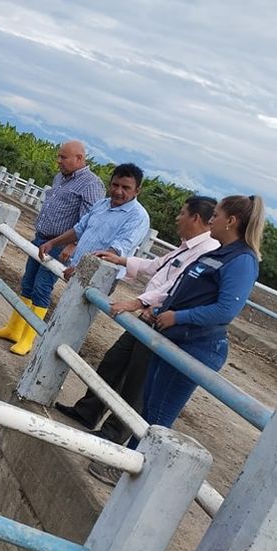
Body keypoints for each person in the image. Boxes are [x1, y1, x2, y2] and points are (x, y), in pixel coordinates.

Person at [88, 195, 265, 486]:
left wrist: (179, 317)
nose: (211, 220)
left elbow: (226, 310)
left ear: (231, 221)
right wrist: (161, 311)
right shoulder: (220, 253)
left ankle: (134, 473)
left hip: (197, 346)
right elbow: (184, 291)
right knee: (150, 407)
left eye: (216, 215)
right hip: (176, 339)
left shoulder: (242, 260)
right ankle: (133, 465)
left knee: (158, 415)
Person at [55, 196, 219, 450]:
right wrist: (120, 260)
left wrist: (137, 302)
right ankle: (88, 411)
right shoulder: (187, 246)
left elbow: (175, 288)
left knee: (136, 382)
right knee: (113, 363)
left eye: (182, 213)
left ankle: (114, 434)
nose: (178, 218)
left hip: (161, 322)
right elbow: (157, 266)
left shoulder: (207, 250)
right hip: (147, 318)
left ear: (195, 218)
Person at [0, 140, 104, 355]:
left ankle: (28, 338)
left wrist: (73, 244)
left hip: (60, 245)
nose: (58, 161)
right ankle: (13, 329)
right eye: (59, 156)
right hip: (41, 239)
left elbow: (91, 220)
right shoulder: (60, 177)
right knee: (28, 283)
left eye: (63, 157)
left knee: (42, 287)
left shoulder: (91, 185)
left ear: (79, 158)